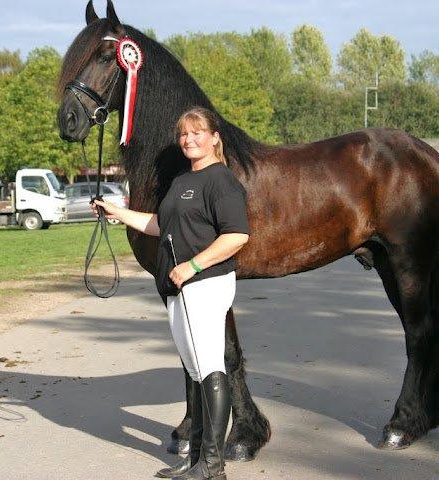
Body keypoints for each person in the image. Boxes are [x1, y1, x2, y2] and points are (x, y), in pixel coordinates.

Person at [92, 107, 250, 480]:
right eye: (183, 134)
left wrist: (193, 266)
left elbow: (237, 235)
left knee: (210, 365)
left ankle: (213, 465)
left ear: (214, 137)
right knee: (196, 369)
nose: (188, 139)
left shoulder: (221, 180)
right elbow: (159, 224)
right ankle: (196, 458)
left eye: (197, 133)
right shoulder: (181, 182)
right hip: (177, 286)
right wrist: (115, 211)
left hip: (205, 284)